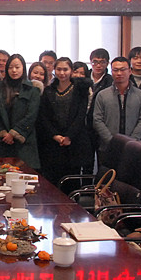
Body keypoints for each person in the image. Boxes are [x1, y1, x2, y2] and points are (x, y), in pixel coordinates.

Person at [37, 57, 93, 185]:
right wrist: (55, 135)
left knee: (71, 182)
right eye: (59, 69)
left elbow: (80, 115)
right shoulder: (49, 90)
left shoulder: (80, 90)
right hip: (53, 143)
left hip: (74, 142)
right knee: (52, 182)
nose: (62, 73)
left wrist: (68, 136)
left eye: (65, 69)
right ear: (54, 70)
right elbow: (44, 117)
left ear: (71, 71)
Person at [92, 57, 141, 164]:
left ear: (130, 71)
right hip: (107, 147)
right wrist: (111, 141)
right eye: (115, 70)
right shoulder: (102, 95)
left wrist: (132, 141)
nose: (119, 73)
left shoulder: (140, 95)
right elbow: (97, 120)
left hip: (134, 147)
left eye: (123, 70)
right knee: (107, 174)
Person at [0, 54, 40, 169]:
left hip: (24, 141)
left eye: (17, 67)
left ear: (23, 68)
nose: (14, 70)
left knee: (25, 174)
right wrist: (3, 133)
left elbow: (31, 115)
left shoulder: (32, 89)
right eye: (10, 67)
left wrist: (14, 133)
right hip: (3, 141)